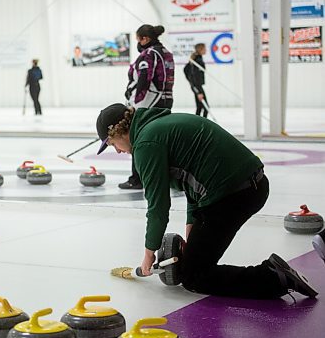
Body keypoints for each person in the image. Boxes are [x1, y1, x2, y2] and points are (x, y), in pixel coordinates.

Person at [95, 103, 318, 299]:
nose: (116, 150)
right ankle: (274, 275)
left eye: (112, 143)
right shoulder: (160, 126)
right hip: (250, 186)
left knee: (194, 276)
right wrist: (192, 230)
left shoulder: (145, 143)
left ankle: (273, 277)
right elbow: (192, 181)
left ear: (120, 131)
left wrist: (148, 254)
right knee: (195, 262)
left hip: (232, 195)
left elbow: (158, 206)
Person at [120, 24, 175, 190]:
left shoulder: (149, 54)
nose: (138, 43)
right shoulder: (166, 53)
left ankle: (137, 179)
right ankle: (168, 176)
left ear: (146, 39)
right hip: (165, 100)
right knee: (161, 139)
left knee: (138, 139)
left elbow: (144, 79)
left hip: (148, 103)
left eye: (138, 39)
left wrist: (135, 105)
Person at [185, 43, 209, 117]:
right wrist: (198, 92)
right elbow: (195, 76)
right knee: (205, 108)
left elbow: (186, 70)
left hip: (196, 86)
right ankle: (203, 125)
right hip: (197, 87)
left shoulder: (197, 59)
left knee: (200, 107)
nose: (206, 50)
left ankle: (198, 125)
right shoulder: (197, 60)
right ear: (200, 49)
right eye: (204, 49)